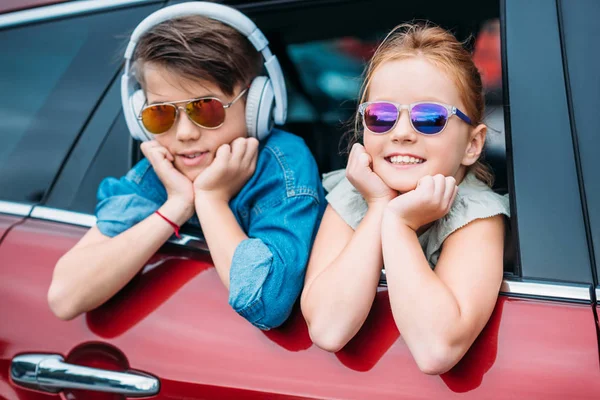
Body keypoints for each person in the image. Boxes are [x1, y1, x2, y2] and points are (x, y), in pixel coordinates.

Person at [48, 2, 324, 330]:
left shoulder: (282, 162)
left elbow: (265, 303)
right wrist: (177, 205)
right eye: (160, 113)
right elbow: (65, 298)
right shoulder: (159, 170)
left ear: (256, 105)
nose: (185, 134)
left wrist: (209, 199)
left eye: (206, 109)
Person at [301, 23, 509, 374]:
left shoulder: (477, 215)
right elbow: (327, 328)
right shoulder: (356, 192)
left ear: (473, 144)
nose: (400, 133)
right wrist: (380, 206)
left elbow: (436, 350)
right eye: (381, 116)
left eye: (429, 119)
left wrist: (398, 225)